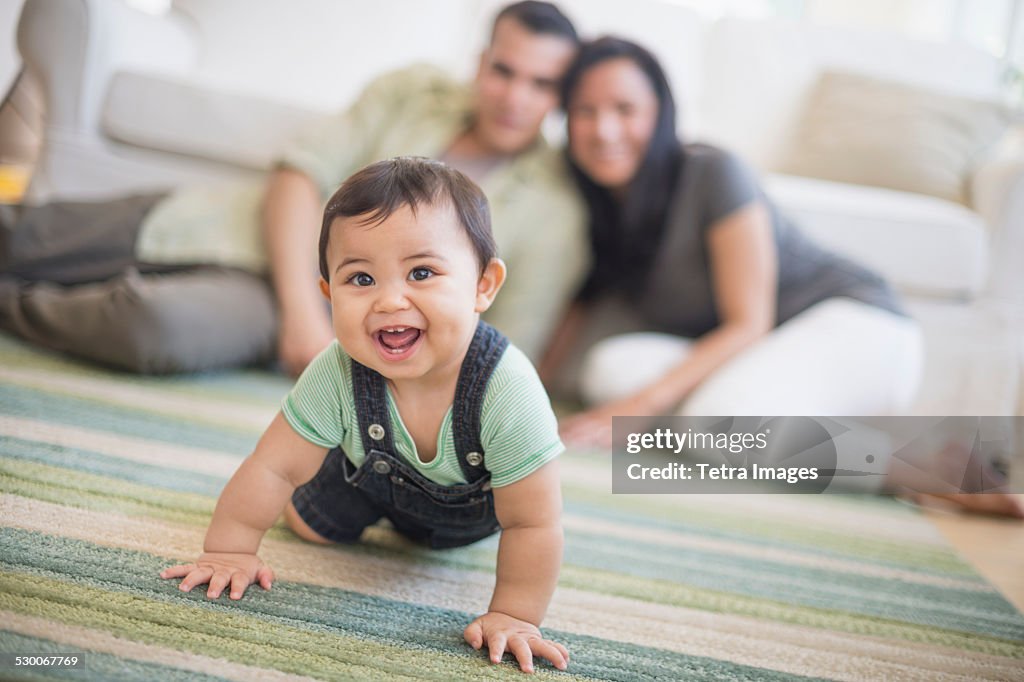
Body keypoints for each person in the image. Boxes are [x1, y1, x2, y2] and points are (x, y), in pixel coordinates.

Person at [0, 1, 586, 377]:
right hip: (229, 227)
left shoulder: (555, 210)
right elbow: (298, 175)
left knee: (150, 330)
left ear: (559, 97)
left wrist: (333, 333)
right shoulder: (412, 91)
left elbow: (501, 350)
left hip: (308, 313)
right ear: (481, 63)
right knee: (26, 235)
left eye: (541, 84)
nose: (515, 97)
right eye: (504, 71)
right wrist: (304, 312)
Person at [161, 157, 570, 673]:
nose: (390, 299)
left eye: (422, 272)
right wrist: (230, 551)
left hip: (469, 517)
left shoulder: (507, 389)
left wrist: (514, 614)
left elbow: (533, 522)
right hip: (361, 482)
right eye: (361, 278)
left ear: (483, 285)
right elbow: (273, 466)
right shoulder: (336, 371)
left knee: (497, 530)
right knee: (309, 524)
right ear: (328, 292)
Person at [544, 37, 923, 448]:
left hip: (856, 325)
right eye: (586, 111)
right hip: (759, 358)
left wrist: (640, 406)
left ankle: (919, 462)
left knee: (709, 425)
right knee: (608, 370)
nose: (604, 130)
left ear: (660, 113)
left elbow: (749, 324)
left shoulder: (713, 172)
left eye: (625, 109)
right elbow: (573, 313)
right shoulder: (598, 205)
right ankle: (768, 429)